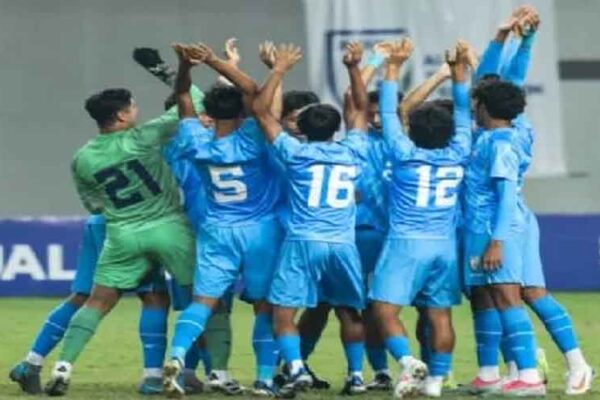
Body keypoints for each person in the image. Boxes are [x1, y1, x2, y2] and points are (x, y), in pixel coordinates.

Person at [44, 47, 203, 396]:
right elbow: (195, 101)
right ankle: (194, 370)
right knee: (202, 300)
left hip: (122, 234)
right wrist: (169, 71)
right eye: (132, 107)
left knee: (97, 302)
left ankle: (62, 367)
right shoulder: (145, 137)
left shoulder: (83, 158)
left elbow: (93, 204)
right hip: (169, 227)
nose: (136, 110)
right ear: (120, 116)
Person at [468, 5, 593, 395]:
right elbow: (503, 80)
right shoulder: (514, 123)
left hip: (501, 223)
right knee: (529, 293)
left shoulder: (499, 140)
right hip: (515, 219)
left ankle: (528, 373)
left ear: (485, 106)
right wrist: (516, 38)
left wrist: (497, 239)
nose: (472, 102)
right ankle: (572, 364)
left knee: (508, 294)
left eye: (477, 100)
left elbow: (490, 83)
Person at [163, 42, 282, 397]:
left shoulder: (195, 140)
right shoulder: (251, 137)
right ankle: (264, 379)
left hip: (216, 229)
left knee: (203, 302)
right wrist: (217, 61)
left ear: (209, 113)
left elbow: (182, 94)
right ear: (243, 113)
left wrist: (185, 67)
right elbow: (254, 92)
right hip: (259, 230)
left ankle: (177, 355)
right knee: (265, 306)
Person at [252, 41, 370, 397]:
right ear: (337, 128)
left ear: (301, 129)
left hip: (303, 240)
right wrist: (353, 67)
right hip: (343, 243)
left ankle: (296, 368)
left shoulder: (295, 153)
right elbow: (361, 108)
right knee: (349, 311)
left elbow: (260, 112)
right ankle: (356, 377)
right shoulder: (354, 151)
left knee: (283, 312)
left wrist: (278, 70)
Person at [368, 38, 472, 398]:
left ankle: (408, 361)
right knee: (440, 316)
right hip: (444, 246)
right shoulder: (460, 151)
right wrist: (458, 75)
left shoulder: (403, 153)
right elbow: (463, 113)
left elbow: (388, 113)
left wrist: (392, 68)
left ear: (412, 130)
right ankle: (436, 383)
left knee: (383, 310)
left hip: (406, 243)